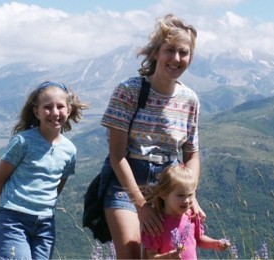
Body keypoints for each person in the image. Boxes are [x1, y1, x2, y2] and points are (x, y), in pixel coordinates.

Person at [101, 13, 205, 258]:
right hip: (127, 184)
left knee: (172, 254)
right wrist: (141, 206)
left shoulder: (190, 99)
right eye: (170, 50)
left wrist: (191, 194)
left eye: (184, 52)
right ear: (156, 52)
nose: (176, 58)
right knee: (130, 254)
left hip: (169, 185)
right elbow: (117, 156)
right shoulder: (129, 91)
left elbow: (192, 153)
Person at [0, 81, 87, 259]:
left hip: (45, 223)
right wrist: (8, 208)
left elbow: (57, 186)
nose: (54, 112)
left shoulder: (70, 150)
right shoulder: (23, 142)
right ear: (37, 112)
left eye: (60, 106)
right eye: (47, 107)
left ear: (69, 109)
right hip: (14, 220)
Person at [141, 165, 231, 259]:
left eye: (190, 195)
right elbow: (151, 256)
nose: (187, 200)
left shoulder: (191, 217)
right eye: (181, 195)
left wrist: (215, 244)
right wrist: (168, 257)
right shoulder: (156, 224)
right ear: (164, 194)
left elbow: (199, 239)